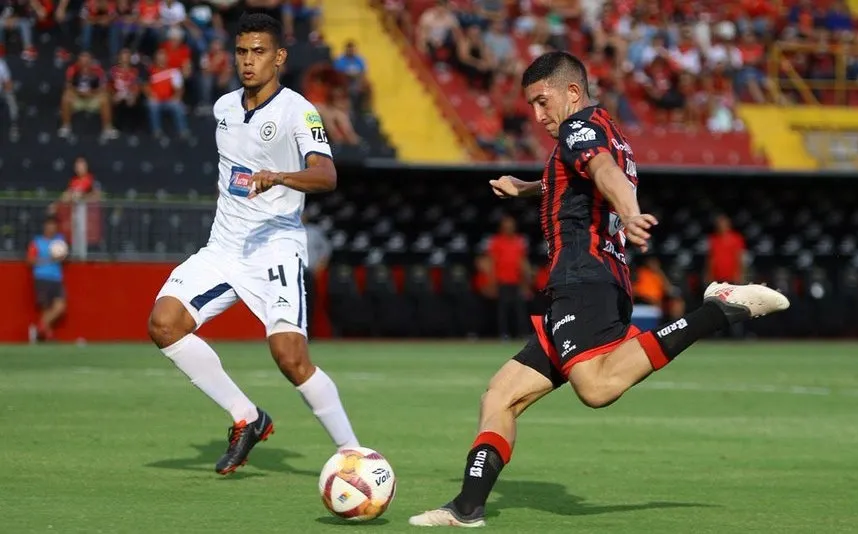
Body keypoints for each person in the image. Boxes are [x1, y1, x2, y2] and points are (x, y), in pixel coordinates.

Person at [409, 51, 790, 527]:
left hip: (584, 277)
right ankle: (467, 508)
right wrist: (525, 187)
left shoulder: (579, 128)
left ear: (572, 92)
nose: (537, 116)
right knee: (500, 396)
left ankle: (718, 310)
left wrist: (630, 212)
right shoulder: (601, 128)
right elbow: (580, 178)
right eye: (530, 105)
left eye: (542, 101)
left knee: (597, 386)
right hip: (577, 281)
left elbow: (604, 171)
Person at [147, 13, 359, 476]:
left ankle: (354, 454)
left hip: (275, 246)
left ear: (279, 57)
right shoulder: (223, 108)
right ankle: (247, 417)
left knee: (289, 356)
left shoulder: (298, 111)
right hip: (223, 247)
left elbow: (327, 175)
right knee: (164, 323)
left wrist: (280, 176)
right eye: (242, 52)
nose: (248, 61)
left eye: (259, 51)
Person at [27, 218, 67, 342]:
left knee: (60, 307)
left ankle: (39, 328)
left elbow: (64, 255)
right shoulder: (37, 242)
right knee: (45, 308)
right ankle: (47, 336)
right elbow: (30, 260)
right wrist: (49, 260)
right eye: (49, 225)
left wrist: (62, 257)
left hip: (56, 278)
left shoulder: (60, 241)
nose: (52, 228)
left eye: (54, 226)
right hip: (42, 277)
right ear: (45, 227)